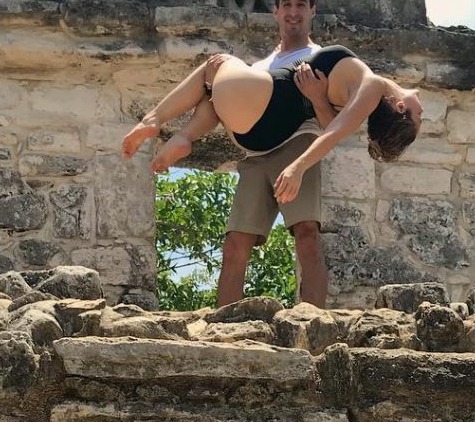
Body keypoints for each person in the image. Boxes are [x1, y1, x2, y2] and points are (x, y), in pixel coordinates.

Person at [121, 36, 423, 294]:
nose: (422, 106)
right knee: (213, 99)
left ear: (400, 108)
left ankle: (156, 121)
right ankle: (186, 135)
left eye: (418, 117)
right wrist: (318, 101)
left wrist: (298, 167)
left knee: (215, 65)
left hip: (259, 103)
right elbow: (332, 125)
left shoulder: (371, 85)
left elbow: (332, 134)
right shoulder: (358, 93)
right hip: (257, 134)